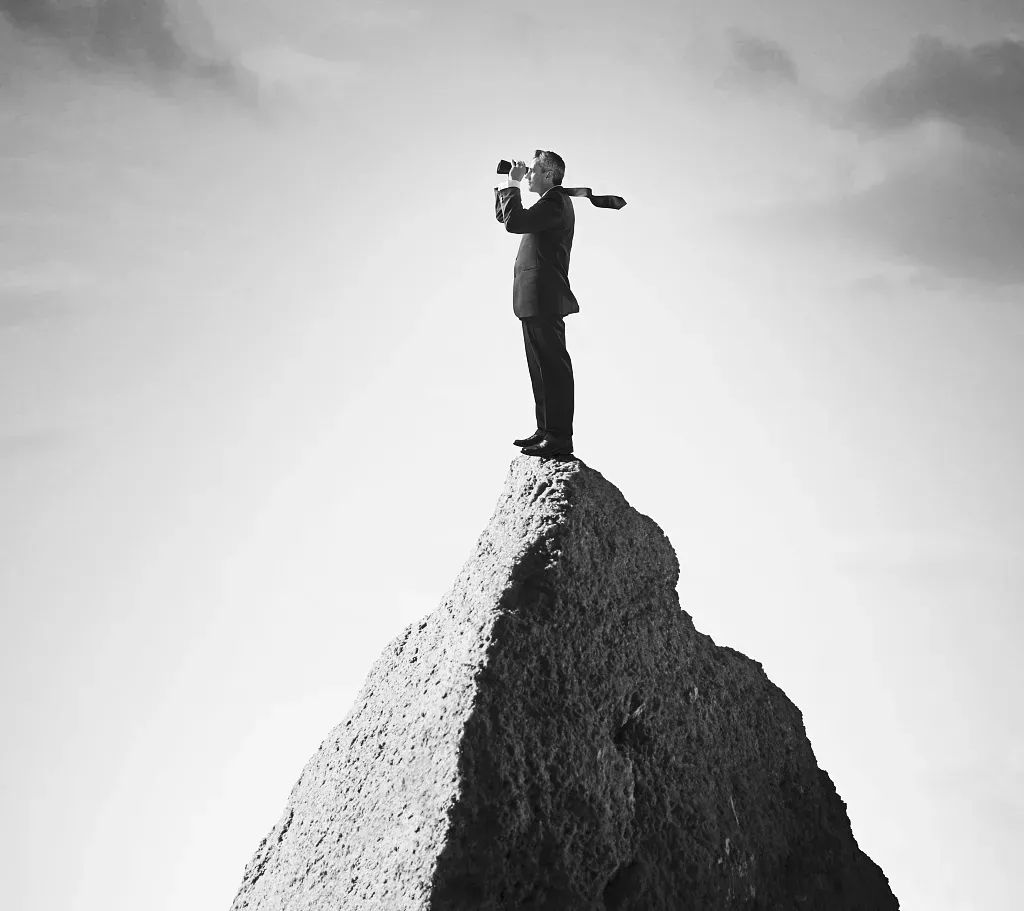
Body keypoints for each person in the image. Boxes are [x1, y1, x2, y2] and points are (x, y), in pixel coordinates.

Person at [494, 150, 578, 458]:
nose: (528, 174)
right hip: (533, 299)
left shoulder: (555, 202)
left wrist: (514, 185)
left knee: (553, 369)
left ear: (549, 174)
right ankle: (546, 430)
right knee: (540, 368)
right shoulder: (548, 203)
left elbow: (515, 222)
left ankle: (559, 437)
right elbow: (506, 216)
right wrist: (508, 183)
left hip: (545, 297)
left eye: (533, 170)